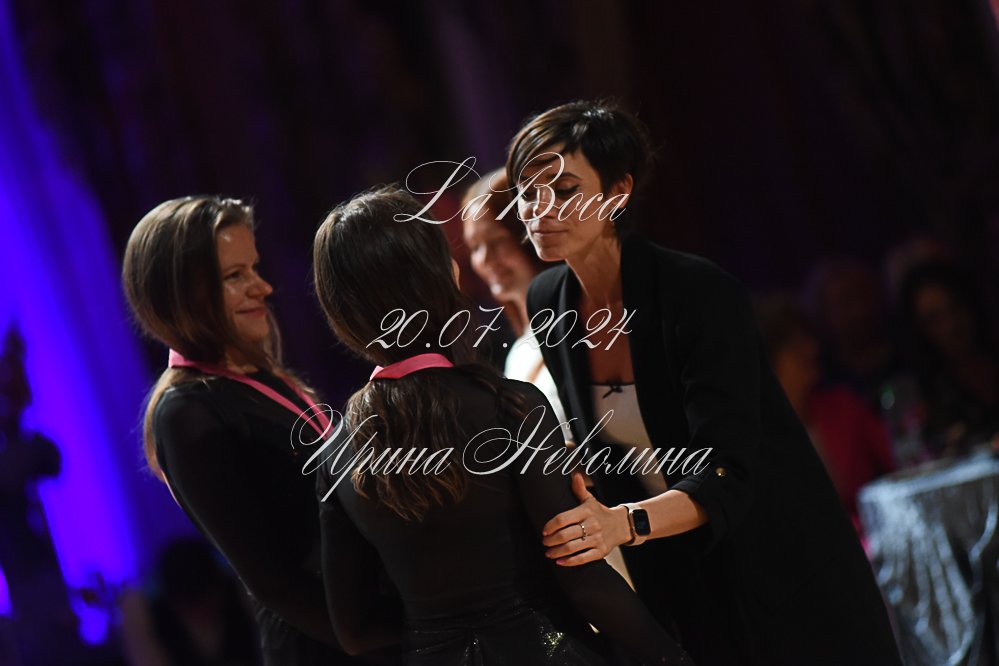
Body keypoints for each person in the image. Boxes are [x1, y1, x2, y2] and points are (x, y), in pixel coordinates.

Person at [509, 100, 902, 665]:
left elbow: (728, 472)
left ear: (617, 193)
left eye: (565, 190)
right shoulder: (548, 299)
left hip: (780, 564)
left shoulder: (695, 292)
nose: (538, 209)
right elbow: (607, 448)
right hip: (679, 580)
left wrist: (622, 524)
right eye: (527, 192)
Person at [311, 186, 692, 665]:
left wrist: (434, 627)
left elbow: (354, 631)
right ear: (439, 275)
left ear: (339, 312)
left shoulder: (336, 451)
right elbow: (583, 579)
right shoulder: (510, 407)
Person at [122, 196, 370, 666]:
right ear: (181, 293)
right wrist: (388, 638)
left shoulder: (264, 378)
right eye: (235, 276)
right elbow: (275, 583)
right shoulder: (187, 412)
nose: (263, 286)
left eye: (253, 268)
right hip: (329, 648)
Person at [754, 294, 894, 534]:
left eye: (809, 338)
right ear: (767, 360)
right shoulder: (754, 434)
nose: (812, 348)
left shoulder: (844, 405)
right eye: (795, 345)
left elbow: (896, 459)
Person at [462, 168, 571, 435]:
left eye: (497, 241)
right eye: (475, 247)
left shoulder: (579, 325)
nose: (485, 259)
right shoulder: (518, 351)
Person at [898, 261, 999, 457]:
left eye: (955, 307)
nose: (951, 325)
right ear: (919, 329)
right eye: (934, 319)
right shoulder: (927, 396)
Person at [120, 537, 261, 666]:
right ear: (174, 602)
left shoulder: (245, 592)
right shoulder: (144, 611)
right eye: (193, 607)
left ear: (220, 589)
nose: (203, 613)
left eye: (207, 603)